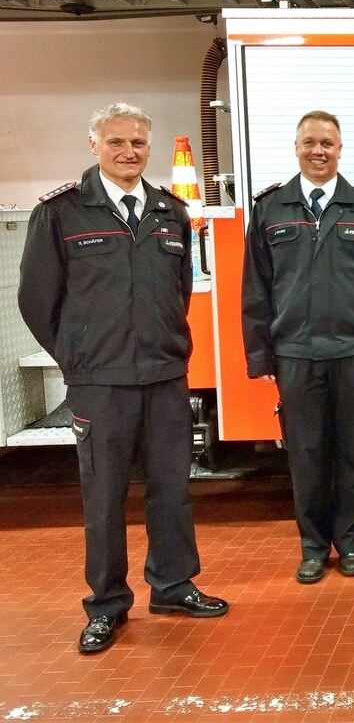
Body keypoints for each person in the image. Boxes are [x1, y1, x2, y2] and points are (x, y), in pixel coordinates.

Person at [18, 102, 229, 654]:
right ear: (94, 146)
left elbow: (179, 293)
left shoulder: (170, 212)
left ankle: (173, 586)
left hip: (164, 376)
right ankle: (107, 605)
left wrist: (165, 346)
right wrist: (79, 357)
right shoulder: (62, 213)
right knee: (105, 497)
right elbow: (36, 300)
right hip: (100, 382)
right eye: (116, 142)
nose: (128, 152)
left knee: (172, 488)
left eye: (137, 142)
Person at [242, 110, 354, 584]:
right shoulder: (270, 208)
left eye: (327, 143)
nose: (318, 151)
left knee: (353, 454)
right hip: (295, 354)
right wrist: (260, 354)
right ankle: (313, 548)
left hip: (353, 353)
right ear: (296, 148)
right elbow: (255, 288)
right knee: (306, 456)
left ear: (340, 150)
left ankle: (350, 544)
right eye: (309, 142)